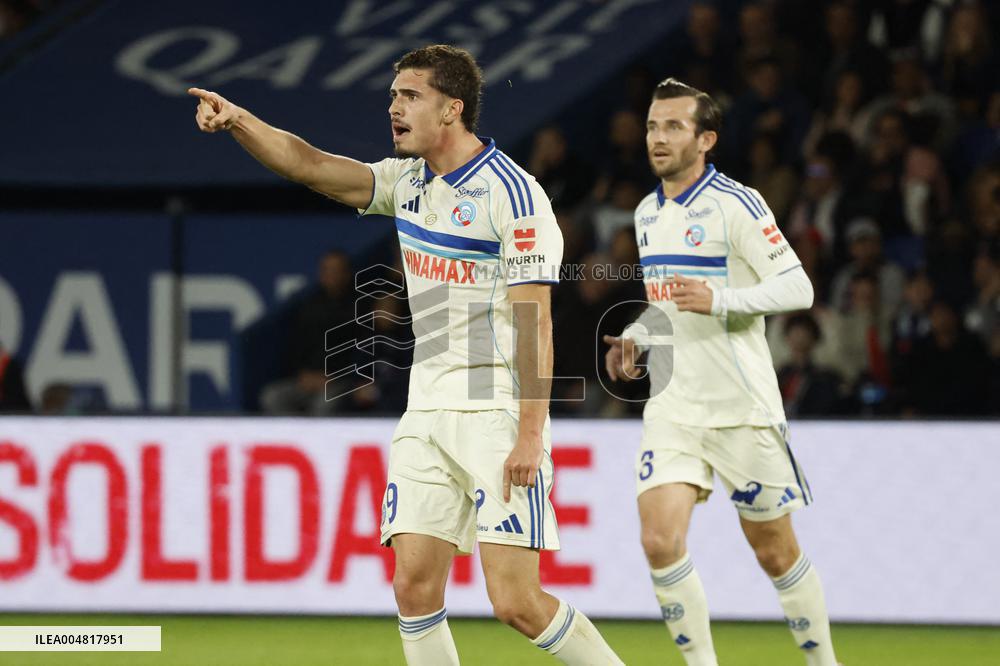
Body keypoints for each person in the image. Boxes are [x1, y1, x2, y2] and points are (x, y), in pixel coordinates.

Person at [189, 44, 622, 666]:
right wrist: (240, 121)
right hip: (426, 409)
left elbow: (536, 323)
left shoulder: (514, 196)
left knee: (516, 603)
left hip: (495, 410)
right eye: (394, 95)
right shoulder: (406, 182)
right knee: (413, 589)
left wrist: (531, 433)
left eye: (410, 95)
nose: (394, 107)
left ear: (452, 109)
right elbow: (310, 165)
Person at [602, 78, 839, 666]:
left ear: (705, 139)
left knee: (775, 553)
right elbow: (665, 304)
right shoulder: (647, 213)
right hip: (673, 407)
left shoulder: (737, 204)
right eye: (652, 126)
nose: (657, 138)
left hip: (740, 409)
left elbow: (799, 288)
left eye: (673, 126)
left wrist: (722, 300)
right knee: (659, 541)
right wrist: (636, 338)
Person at [259, 250, 357, 415]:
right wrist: (303, 375)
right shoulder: (308, 307)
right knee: (272, 396)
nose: (332, 275)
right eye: (327, 270)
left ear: (347, 273)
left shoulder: (360, 307)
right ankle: (293, 432)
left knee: (324, 403)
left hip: (342, 382)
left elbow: (361, 352)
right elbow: (295, 349)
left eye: (337, 270)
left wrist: (334, 378)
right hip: (308, 380)